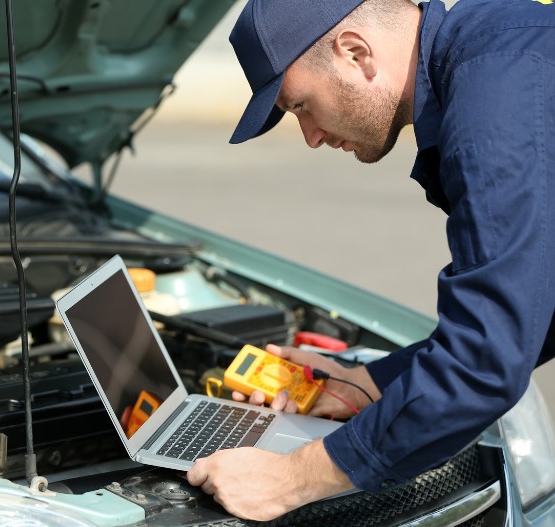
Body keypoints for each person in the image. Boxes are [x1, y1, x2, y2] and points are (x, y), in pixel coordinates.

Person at [185, 0, 555, 521]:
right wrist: (368, 383)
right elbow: (539, 307)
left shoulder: (494, 100)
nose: (311, 137)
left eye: (299, 107)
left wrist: (291, 479)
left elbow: (486, 363)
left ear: (356, 53)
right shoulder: (506, 49)